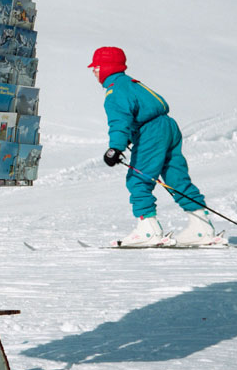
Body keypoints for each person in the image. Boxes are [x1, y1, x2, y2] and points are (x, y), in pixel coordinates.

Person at [89, 46, 219, 247]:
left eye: (95, 67)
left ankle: (148, 231)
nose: (94, 72)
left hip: (151, 131)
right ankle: (201, 228)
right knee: (176, 177)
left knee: (138, 178)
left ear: (105, 67)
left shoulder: (115, 90)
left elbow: (119, 121)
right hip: (168, 126)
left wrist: (115, 148)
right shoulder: (131, 83)